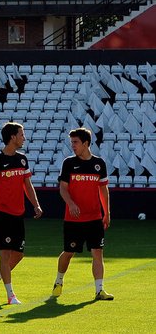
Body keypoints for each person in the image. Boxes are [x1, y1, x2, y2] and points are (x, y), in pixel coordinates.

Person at [0, 121, 43, 305]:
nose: (24, 138)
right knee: (5, 255)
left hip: (18, 214)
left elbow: (27, 185)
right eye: (22, 134)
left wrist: (36, 205)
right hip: (2, 214)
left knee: (19, 255)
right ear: (12, 137)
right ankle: (10, 295)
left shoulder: (22, 159)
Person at [52, 127, 114, 301]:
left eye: (76, 142)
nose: (73, 145)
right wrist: (70, 203)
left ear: (86, 143)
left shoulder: (99, 164)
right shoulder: (69, 163)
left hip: (94, 217)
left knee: (97, 253)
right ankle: (59, 281)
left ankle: (99, 290)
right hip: (74, 219)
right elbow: (63, 188)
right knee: (68, 252)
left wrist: (106, 212)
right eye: (72, 142)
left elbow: (103, 190)